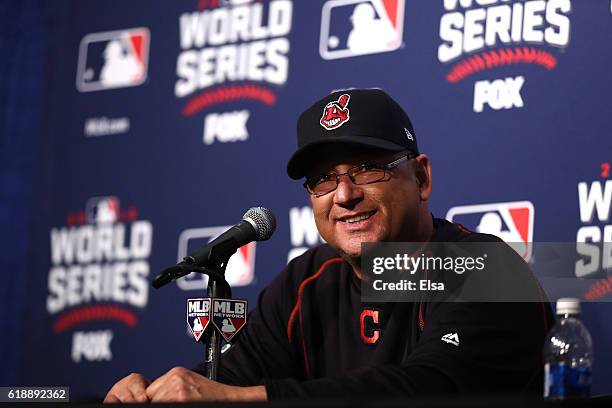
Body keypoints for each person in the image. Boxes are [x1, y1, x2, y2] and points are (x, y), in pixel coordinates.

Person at [104, 88, 553, 403]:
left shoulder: (487, 270)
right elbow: (231, 381)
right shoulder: (305, 281)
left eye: (367, 168)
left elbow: (428, 388)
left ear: (421, 177)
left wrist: (239, 397)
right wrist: (154, 393)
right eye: (323, 179)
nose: (344, 195)